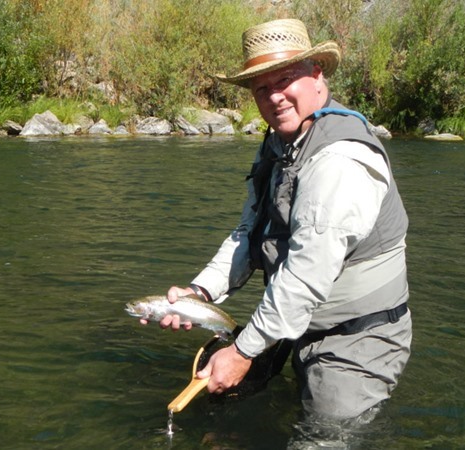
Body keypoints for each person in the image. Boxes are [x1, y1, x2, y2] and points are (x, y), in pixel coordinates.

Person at [141, 18, 412, 421]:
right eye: (262, 88)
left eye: (285, 80)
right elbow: (249, 234)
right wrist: (201, 293)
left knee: (325, 438)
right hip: (299, 320)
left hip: (359, 334)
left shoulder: (340, 161)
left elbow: (305, 276)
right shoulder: (279, 145)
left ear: (317, 74)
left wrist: (243, 350)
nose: (275, 97)